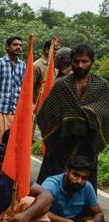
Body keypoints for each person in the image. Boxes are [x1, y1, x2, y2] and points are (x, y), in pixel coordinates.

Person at [36, 44, 109, 192]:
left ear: (92, 62)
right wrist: (71, 119)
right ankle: (44, 210)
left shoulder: (102, 86)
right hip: (61, 144)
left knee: (84, 186)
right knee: (50, 187)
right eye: (76, 61)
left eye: (84, 61)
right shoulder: (61, 85)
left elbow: (105, 113)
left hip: (87, 145)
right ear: (71, 61)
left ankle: (84, 213)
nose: (80, 65)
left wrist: (85, 114)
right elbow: (46, 115)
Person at [43, 156, 109, 222]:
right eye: (75, 175)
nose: (79, 181)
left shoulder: (87, 187)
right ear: (67, 171)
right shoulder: (51, 184)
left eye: (84, 178)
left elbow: (99, 214)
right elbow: (40, 212)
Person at [0, 36, 26, 142]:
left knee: (13, 142)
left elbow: (23, 88)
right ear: (7, 47)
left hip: (15, 110)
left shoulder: (23, 65)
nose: (18, 47)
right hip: (1, 109)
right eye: (15, 45)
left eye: (20, 45)